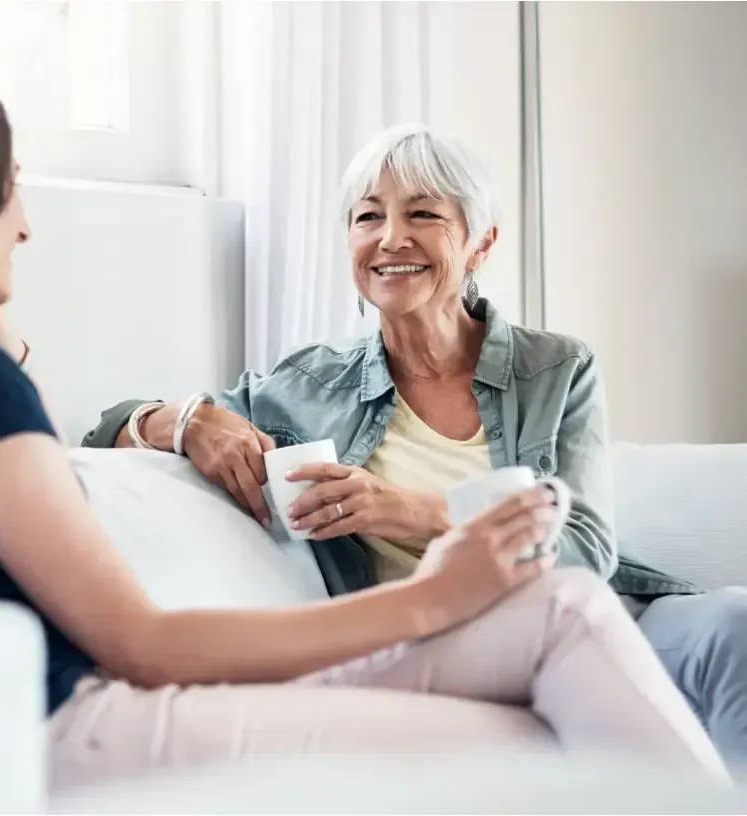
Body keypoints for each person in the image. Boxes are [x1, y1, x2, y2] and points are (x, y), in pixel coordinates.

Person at [0, 62, 727, 790]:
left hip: (60, 714)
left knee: (573, 622)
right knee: (554, 734)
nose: (28, 223)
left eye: (423, 215)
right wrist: (432, 597)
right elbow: (143, 642)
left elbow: (3, 362)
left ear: (478, 244)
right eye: (10, 189)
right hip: (79, 725)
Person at [82, 121, 747, 772]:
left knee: (731, 622)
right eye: (367, 217)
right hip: (447, 643)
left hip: (607, 618)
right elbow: (105, 428)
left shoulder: (558, 369)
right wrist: (190, 421)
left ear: (481, 243)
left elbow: (587, 553)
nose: (390, 238)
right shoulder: (310, 386)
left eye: (423, 213)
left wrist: (408, 511)